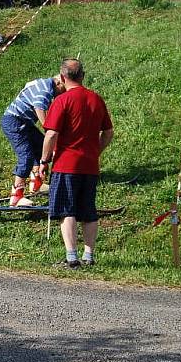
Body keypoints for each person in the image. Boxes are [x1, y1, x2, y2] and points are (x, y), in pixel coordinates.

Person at [40, 59, 113, 268]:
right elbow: (108, 132)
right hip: (90, 166)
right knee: (88, 211)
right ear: (83, 75)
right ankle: (89, 256)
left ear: (62, 78)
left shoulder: (62, 101)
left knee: (66, 210)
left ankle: (72, 257)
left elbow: (51, 134)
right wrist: (96, 151)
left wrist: (44, 160)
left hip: (66, 165)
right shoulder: (96, 99)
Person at [2, 75, 66, 207]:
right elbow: (39, 108)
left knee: (41, 145)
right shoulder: (45, 91)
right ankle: (16, 197)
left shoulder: (42, 83)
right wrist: (49, 130)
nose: (62, 94)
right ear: (59, 82)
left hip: (24, 121)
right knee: (26, 157)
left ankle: (36, 183)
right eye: (63, 90)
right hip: (14, 121)